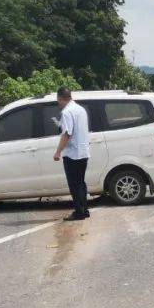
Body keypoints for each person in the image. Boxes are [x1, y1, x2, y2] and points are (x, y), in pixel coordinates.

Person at [53, 87, 90, 221]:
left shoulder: (67, 112)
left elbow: (67, 134)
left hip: (72, 154)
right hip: (83, 152)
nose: (58, 103)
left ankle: (79, 212)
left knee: (74, 184)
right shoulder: (81, 109)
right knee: (81, 183)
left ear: (60, 98)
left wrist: (58, 152)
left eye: (58, 100)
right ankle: (84, 210)